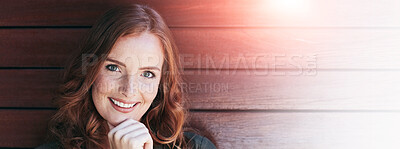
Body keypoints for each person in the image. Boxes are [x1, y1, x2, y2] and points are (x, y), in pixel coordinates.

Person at [36, 4, 217, 149]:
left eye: (147, 74)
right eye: (114, 68)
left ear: (161, 83)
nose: (129, 90)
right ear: (90, 71)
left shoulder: (196, 147)